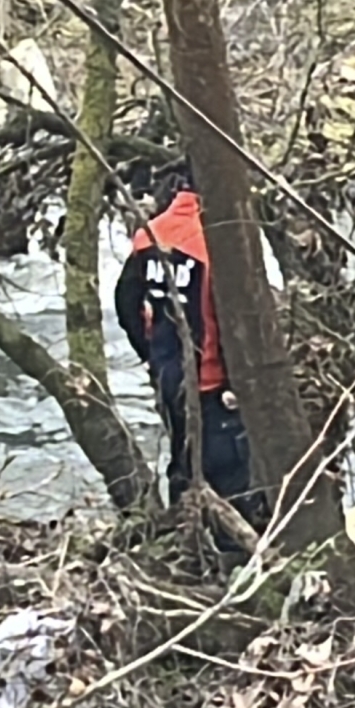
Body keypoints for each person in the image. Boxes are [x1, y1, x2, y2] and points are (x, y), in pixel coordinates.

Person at [113, 165, 277, 526]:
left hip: (168, 379)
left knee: (183, 465)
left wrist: (151, 353)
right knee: (231, 478)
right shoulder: (219, 243)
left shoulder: (149, 234)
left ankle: (185, 543)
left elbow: (126, 303)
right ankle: (227, 562)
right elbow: (239, 322)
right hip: (214, 386)